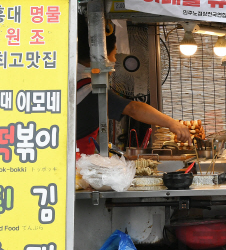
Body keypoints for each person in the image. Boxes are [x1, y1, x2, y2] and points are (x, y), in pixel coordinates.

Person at [76, 14, 189, 153]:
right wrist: (172, 123)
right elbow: (133, 109)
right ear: (103, 56)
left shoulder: (72, 79)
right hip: (72, 165)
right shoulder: (89, 90)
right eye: (115, 54)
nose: (115, 61)